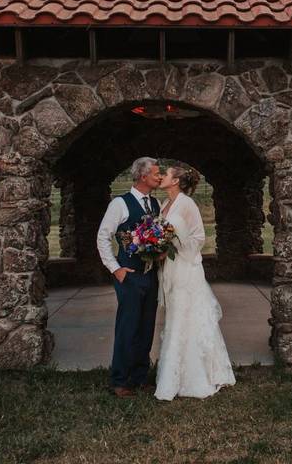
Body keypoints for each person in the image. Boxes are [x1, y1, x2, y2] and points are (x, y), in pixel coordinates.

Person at [154, 162, 235, 401]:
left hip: (186, 268)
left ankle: (194, 376)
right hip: (169, 267)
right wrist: (157, 249)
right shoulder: (164, 204)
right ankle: (172, 374)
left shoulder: (187, 204)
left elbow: (198, 237)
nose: (162, 177)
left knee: (186, 317)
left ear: (176, 180)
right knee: (174, 316)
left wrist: (173, 246)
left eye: (166, 174)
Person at [96, 156, 163, 397]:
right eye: (156, 173)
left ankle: (140, 377)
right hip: (130, 275)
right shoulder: (120, 204)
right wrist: (116, 269)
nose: (159, 176)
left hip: (150, 275)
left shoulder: (154, 204)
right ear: (143, 176)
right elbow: (103, 237)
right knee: (128, 328)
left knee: (146, 328)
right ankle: (120, 380)